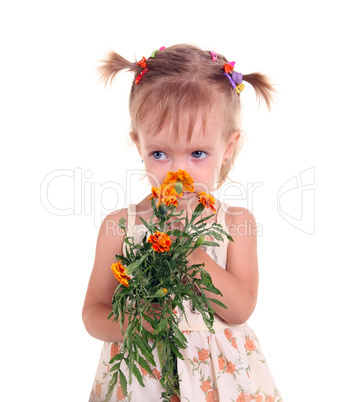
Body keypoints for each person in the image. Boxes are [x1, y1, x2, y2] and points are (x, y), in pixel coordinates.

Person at [83, 44, 282, 402]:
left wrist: (190, 254)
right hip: (144, 376)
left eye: (197, 153)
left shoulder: (235, 223)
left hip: (217, 378)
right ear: (138, 144)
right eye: (159, 153)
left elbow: (239, 309)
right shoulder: (121, 226)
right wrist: (135, 322)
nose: (178, 171)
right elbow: (93, 313)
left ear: (229, 148)